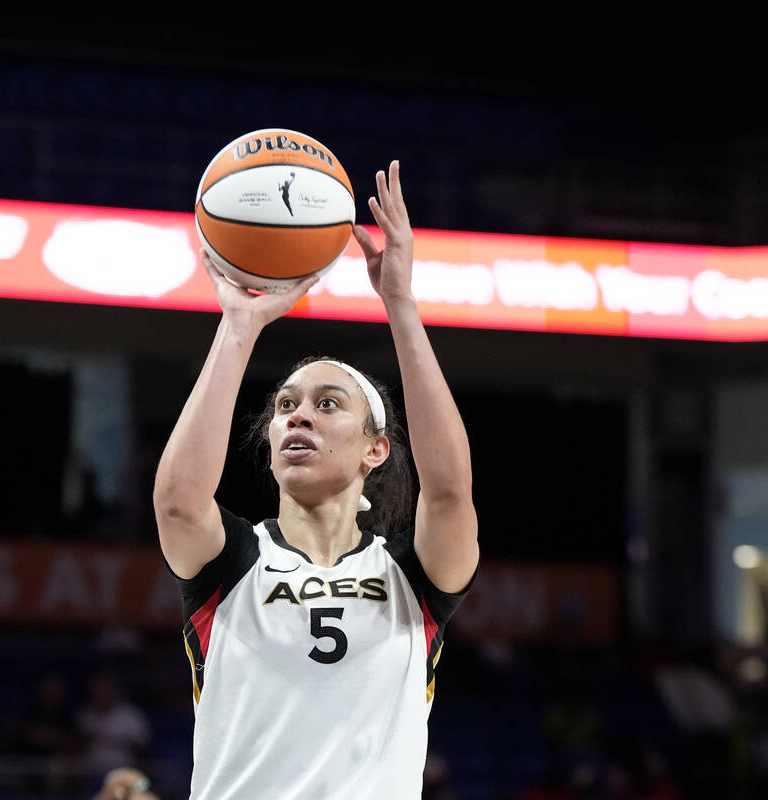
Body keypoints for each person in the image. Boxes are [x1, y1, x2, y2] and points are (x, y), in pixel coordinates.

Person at [152, 161, 479, 798]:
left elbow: (448, 491)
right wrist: (238, 326)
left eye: (328, 404)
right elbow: (178, 502)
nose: (299, 413)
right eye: (285, 406)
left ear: (375, 450)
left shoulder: (413, 580)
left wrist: (401, 305)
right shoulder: (235, 564)